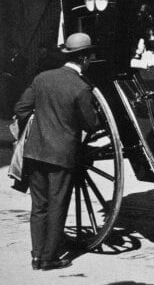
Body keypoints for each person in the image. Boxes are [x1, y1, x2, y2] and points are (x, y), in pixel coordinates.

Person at [13, 32, 101, 270]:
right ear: (83, 59)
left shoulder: (42, 78)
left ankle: (36, 255)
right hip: (61, 156)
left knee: (38, 206)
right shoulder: (81, 87)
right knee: (57, 204)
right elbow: (91, 124)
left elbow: (21, 108)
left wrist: (34, 128)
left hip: (34, 152)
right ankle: (49, 258)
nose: (90, 61)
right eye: (89, 57)